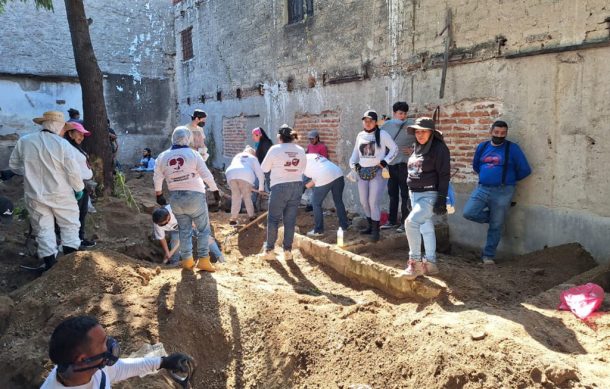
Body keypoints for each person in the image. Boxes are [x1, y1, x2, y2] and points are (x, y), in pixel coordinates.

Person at [9, 111, 84, 272]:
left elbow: (14, 166)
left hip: (34, 194)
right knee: (69, 226)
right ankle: (72, 268)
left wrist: (31, 172)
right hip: (61, 194)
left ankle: (50, 268)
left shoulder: (24, 141)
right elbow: (73, 172)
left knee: (43, 229)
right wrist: (79, 189)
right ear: (58, 126)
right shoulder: (63, 144)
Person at [41, 315, 192, 388]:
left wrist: (162, 362)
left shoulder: (90, 368)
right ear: (81, 359)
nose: (110, 345)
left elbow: (120, 368)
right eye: (103, 343)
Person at [463, 120, 532, 265]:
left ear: (506, 134)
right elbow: (476, 166)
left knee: (496, 227)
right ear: (491, 132)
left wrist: (509, 180)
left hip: (503, 191)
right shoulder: (483, 147)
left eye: (503, 133)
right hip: (482, 188)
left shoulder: (512, 149)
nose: (499, 136)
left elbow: (525, 170)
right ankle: (496, 218)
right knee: (469, 212)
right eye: (496, 133)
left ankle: (488, 256)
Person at [153, 126, 221, 272]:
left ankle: (187, 261)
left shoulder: (162, 156)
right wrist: (215, 191)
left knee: (184, 230)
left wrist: (158, 194)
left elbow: (157, 176)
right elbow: (206, 175)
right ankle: (203, 260)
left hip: (176, 198)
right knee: (203, 230)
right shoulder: (193, 154)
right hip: (195, 195)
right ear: (187, 138)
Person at [402, 117, 451, 279]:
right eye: (417, 131)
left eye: (423, 131)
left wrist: (442, 198)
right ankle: (430, 264)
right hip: (414, 194)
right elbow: (413, 172)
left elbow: (444, 175)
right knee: (425, 228)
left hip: (430, 194)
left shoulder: (439, 149)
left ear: (431, 132)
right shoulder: (417, 147)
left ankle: (414, 263)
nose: (420, 135)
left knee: (411, 222)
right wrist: (410, 194)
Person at [349, 110, 398, 242]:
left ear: (375, 122)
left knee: (373, 202)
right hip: (362, 172)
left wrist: (385, 161)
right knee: (364, 202)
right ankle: (370, 226)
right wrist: (354, 165)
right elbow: (355, 153)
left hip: (377, 172)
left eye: (371, 120)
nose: (368, 123)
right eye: (365, 120)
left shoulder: (382, 134)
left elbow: (394, 149)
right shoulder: (360, 135)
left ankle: (376, 231)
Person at [259, 125, 306, 261]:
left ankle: (269, 251)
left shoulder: (275, 149)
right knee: (290, 220)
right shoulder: (300, 149)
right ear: (292, 137)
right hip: (297, 186)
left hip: (279, 186)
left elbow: (264, 168)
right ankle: (287, 251)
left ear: (280, 137)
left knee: (273, 219)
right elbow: (302, 168)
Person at [380, 101, 415, 233]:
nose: (403, 116)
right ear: (394, 113)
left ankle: (404, 223)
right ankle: (392, 221)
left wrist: (413, 150)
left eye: (405, 113)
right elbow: (380, 142)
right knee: (392, 193)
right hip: (391, 165)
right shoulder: (386, 126)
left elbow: (423, 140)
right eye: (400, 113)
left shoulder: (412, 124)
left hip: (405, 164)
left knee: (405, 194)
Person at [152, 205, 225, 265]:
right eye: (164, 224)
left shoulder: (177, 209)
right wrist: (168, 253)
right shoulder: (158, 224)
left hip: (192, 221)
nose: (167, 223)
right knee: (175, 240)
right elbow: (162, 238)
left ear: (169, 214)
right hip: (176, 229)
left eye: (168, 220)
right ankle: (174, 264)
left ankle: (220, 258)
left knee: (205, 237)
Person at [64, 122, 96, 248]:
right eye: (79, 134)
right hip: (76, 187)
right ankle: (73, 241)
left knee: (82, 212)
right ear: (70, 134)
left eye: (83, 135)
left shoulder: (77, 148)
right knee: (75, 214)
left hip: (84, 186)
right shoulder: (68, 148)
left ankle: (80, 238)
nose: (81, 137)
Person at [303, 153, 349, 236]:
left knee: (316, 203)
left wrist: (303, 188)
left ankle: (318, 230)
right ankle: (344, 226)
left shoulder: (301, 164)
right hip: (338, 173)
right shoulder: (312, 155)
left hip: (324, 175)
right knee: (338, 201)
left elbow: (314, 180)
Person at [225, 145, 265, 226]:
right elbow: (260, 173)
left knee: (236, 197)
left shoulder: (237, 156)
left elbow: (235, 167)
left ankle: (233, 218)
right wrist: (261, 187)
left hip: (230, 173)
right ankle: (251, 216)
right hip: (246, 175)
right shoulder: (253, 158)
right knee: (247, 197)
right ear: (253, 153)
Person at [251, 127, 273, 207]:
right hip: (260, 169)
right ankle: (252, 205)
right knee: (256, 186)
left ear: (259, 135)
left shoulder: (266, 144)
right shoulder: (259, 143)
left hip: (268, 170)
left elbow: (269, 158)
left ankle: (274, 206)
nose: (253, 138)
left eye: (254, 136)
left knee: (271, 187)